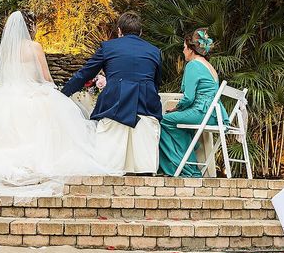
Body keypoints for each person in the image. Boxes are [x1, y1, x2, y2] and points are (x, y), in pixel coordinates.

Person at [0, 11, 117, 196]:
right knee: (55, 112)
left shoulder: (8, 50)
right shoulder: (34, 46)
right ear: (31, 27)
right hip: (31, 93)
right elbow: (45, 78)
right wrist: (56, 90)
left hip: (7, 94)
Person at [61, 11, 163, 173]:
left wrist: (63, 94)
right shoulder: (154, 51)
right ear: (140, 32)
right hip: (146, 104)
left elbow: (84, 74)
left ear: (119, 31)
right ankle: (144, 170)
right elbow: (156, 82)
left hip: (115, 104)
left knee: (105, 164)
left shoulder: (108, 47)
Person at [159, 28, 229, 177]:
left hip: (201, 112)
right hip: (213, 114)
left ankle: (184, 167)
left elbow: (189, 98)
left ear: (191, 49)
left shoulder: (193, 65)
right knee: (180, 126)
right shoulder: (208, 65)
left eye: (184, 48)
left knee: (164, 121)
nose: (183, 52)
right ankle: (187, 159)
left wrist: (177, 108)